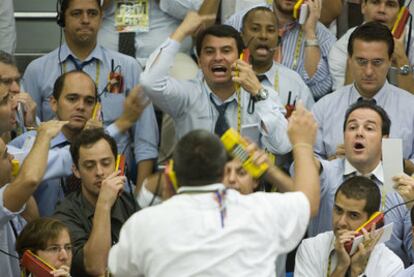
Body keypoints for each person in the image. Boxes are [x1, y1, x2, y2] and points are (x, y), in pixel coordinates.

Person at [107, 102, 320, 276]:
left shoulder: (142, 225)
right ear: (222, 172)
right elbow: (308, 201)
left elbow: (114, 270)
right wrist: (302, 145)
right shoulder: (260, 210)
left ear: (172, 175)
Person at [22, 0, 159, 191]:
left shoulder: (128, 67)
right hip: (53, 181)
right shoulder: (37, 70)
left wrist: (138, 197)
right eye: (77, 13)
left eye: (92, 13)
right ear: (62, 18)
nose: (85, 20)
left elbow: (146, 140)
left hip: (114, 179)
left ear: (101, 18)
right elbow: (28, 137)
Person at [141, 11, 291, 155]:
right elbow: (149, 82)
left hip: (243, 178)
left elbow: (282, 146)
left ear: (242, 58)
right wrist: (181, 32)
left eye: (226, 51)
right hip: (194, 179)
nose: (218, 58)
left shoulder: (262, 94)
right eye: (209, 51)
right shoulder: (187, 93)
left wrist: (258, 93)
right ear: (199, 61)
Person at [10, 70, 147, 216]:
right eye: (72, 98)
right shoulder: (29, 143)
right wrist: (120, 124)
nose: (81, 107)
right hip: (42, 234)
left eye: (89, 101)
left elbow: (126, 196)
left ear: (96, 108)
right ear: (54, 103)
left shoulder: (104, 147)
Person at [304, 100, 413, 265]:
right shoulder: (326, 173)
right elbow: (301, 167)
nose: (359, 133)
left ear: (385, 140)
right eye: (352, 127)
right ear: (344, 136)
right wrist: (302, 144)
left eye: (369, 128)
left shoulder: (401, 186)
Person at [313, 22, 414, 175]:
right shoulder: (325, 107)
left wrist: (395, 162)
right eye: (361, 61)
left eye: (377, 62)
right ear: (349, 60)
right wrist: (333, 165)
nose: (368, 71)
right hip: (336, 194)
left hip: (394, 196)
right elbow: (304, 162)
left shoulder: (410, 108)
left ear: (390, 61)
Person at [54, 128, 138, 277]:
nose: (99, 172)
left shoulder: (129, 203)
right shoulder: (64, 215)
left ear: (118, 165)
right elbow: (96, 268)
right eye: (89, 166)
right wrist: (103, 205)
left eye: (106, 163)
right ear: (76, 171)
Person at [225, 0, 336, 99]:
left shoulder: (323, 36)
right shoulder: (242, 19)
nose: (263, 35)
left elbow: (319, 90)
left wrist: (310, 33)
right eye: (255, 29)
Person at [294, 176, 404, 276]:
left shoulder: (391, 265)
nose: (341, 222)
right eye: (338, 210)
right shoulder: (310, 248)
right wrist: (341, 267)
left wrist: (356, 271)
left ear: (372, 221)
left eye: (353, 215)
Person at [0, 120, 68, 277]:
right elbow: (30, 180)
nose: (11, 158)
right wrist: (44, 136)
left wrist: (15, 180)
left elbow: (33, 224)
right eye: (5, 156)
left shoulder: (6, 193)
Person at [328, 0, 414, 92]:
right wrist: (354, 60)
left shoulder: (411, 41)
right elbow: (346, 102)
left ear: (400, 13)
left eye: (390, 5)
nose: (382, 10)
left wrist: (401, 59)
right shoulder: (342, 47)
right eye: (375, 2)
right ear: (363, 7)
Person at [241, 6, 314, 109]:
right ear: (242, 37)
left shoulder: (294, 83)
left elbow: (309, 122)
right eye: (255, 29)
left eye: (270, 30)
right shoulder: (230, 77)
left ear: (278, 40)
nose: (263, 36)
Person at [0, 51, 37, 137]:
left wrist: (31, 125)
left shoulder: (23, 108)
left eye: (17, 80)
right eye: (6, 81)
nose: (17, 89)